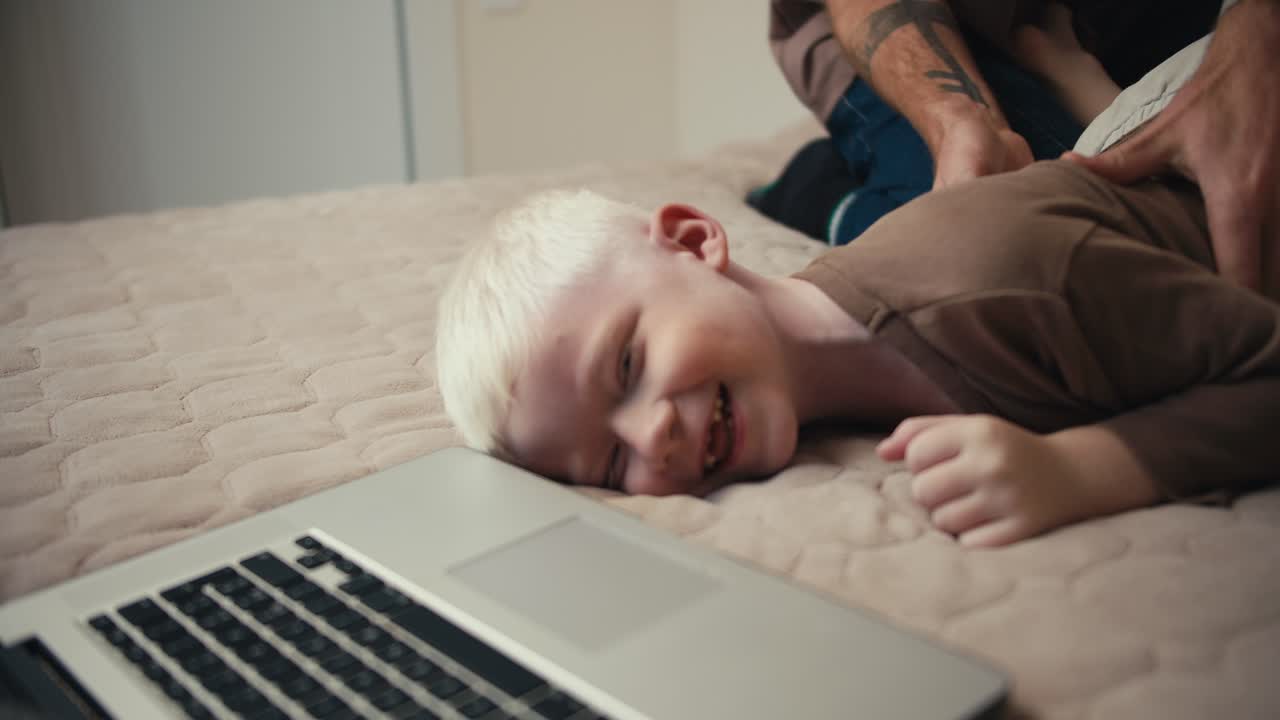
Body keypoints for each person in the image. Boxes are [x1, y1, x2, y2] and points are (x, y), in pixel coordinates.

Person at [435, 143, 1280, 548]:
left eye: (626, 366)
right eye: (610, 469)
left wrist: (1084, 470)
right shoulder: (824, 380)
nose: (649, 437)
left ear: (697, 242)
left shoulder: (1002, 284)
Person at [761, 0, 1279, 296]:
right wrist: (960, 121)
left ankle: (1077, 81)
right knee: (1019, 257)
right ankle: (820, 187)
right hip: (914, 20)